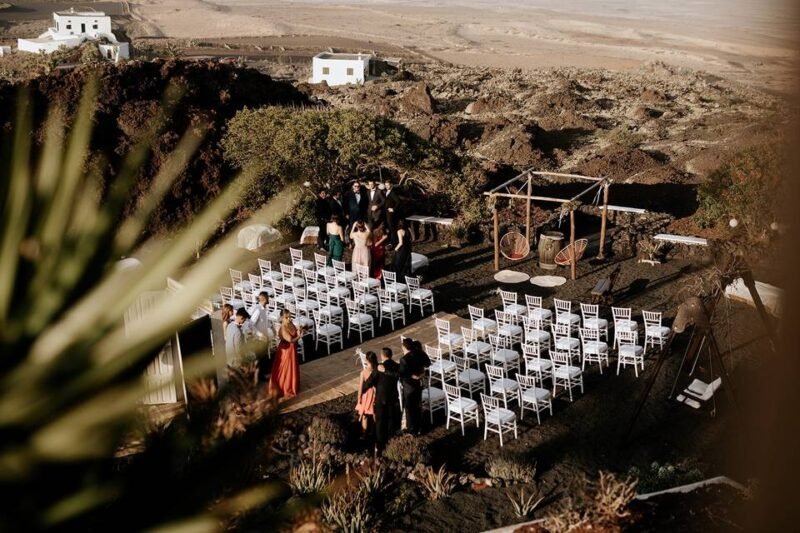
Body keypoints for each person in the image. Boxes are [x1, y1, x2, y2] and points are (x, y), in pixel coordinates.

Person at [361, 347, 401, 453]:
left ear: (382, 355)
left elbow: (369, 382)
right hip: (392, 398)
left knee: (379, 422)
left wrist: (363, 390)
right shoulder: (397, 366)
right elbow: (399, 375)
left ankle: (379, 444)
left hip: (380, 399)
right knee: (391, 421)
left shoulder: (379, 368)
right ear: (391, 355)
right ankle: (391, 443)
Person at [398, 338, 431, 435]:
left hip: (408, 386)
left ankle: (411, 429)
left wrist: (411, 375)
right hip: (418, 384)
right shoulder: (419, 353)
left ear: (404, 347)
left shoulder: (404, 359)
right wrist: (421, 374)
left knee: (409, 408)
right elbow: (428, 363)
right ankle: (418, 427)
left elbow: (401, 374)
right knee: (417, 405)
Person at [268, 309, 303, 399]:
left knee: (292, 367)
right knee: (286, 369)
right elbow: (290, 340)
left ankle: (292, 384)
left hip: (292, 350)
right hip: (286, 351)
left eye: (289, 317)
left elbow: (294, 333)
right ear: (282, 318)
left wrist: (299, 331)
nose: (289, 319)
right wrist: (299, 336)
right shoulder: (283, 329)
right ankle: (285, 387)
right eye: (286, 317)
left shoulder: (290, 323)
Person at [355, 351, 379, 436]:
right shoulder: (377, 369)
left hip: (366, 396)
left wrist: (359, 399)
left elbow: (360, 387)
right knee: (374, 414)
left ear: (367, 360)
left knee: (364, 415)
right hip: (375, 394)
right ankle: (374, 432)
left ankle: (364, 433)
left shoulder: (363, 372)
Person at [383, 180, 401, 248]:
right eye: (386, 185)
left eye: (388, 185)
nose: (387, 186)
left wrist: (393, 208)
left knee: (392, 228)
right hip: (386, 212)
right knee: (389, 228)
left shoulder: (393, 192)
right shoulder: (387, 192)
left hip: (390, 213)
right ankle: (391, 241)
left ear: (391, 185)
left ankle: (394, 242)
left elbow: (398, 201)